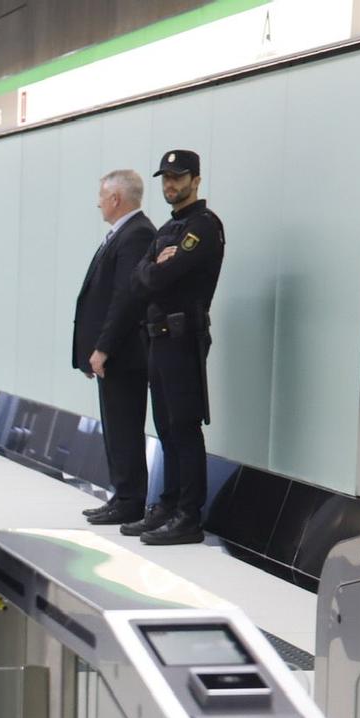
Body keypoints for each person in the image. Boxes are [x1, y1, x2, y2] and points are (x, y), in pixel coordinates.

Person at [122, 149, 224, 547]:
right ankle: (166, 505)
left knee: (184, 426)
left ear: (196, 180)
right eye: (165, 177)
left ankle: (187, 515)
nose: (170, 184)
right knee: (164, 427)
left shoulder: (203, 226)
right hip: (158, 338)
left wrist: (154, 270)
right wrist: (153, 268)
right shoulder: (169, 228)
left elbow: (162, 278)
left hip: (183, 338)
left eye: (178, 177)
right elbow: (139, 280)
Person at [72, 169, 157, 526]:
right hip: (116, 353)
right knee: (116, 425)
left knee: (124, 425)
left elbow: (126, 298)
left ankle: (130, 500)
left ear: (116, 199)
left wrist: (103, 347)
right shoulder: (122, 234)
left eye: (102, 196)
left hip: (124, 353)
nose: (98, 202)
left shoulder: (136, 235)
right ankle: (121, 495)